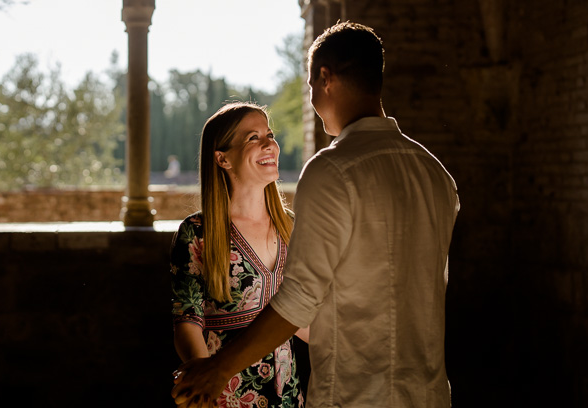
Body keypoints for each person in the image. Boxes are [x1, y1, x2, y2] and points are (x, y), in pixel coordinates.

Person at [172, 22, 460, 407]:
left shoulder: (333, 170)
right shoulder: (436, 175)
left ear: (325, 79)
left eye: (309, 85)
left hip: (354, 396)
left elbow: (302, 298)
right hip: (427, 394)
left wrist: (218, 370)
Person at [170, 102, 308, 408]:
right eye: (253, 138)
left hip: (288, 398)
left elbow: (305, 317)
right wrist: (207, 385)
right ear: (222, 158)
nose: (270, 144)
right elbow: (188, 321)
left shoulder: (293, 227)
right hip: (225, 397)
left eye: (269, 134)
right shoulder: (197, 232)